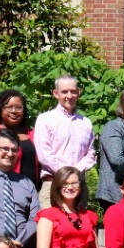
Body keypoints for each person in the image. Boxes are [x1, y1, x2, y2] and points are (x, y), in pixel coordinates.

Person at [33, 75, 96, 208]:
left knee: (79, 227)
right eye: (64, 91)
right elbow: (45, 154)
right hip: (53, 184)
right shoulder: (45, 119)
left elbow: (90, 154)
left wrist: (75, 173)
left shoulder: (86, 123)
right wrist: (67, 176)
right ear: (56, 94)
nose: (69, 95)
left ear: (78, 92)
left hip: (79, 187)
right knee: (51, 227)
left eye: (73, 91)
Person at [35, 166, 100, 248]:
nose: (70, 187)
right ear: (57, 186)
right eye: (65, 183)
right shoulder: (48, 215)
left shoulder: (88, 216)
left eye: (74, 183)